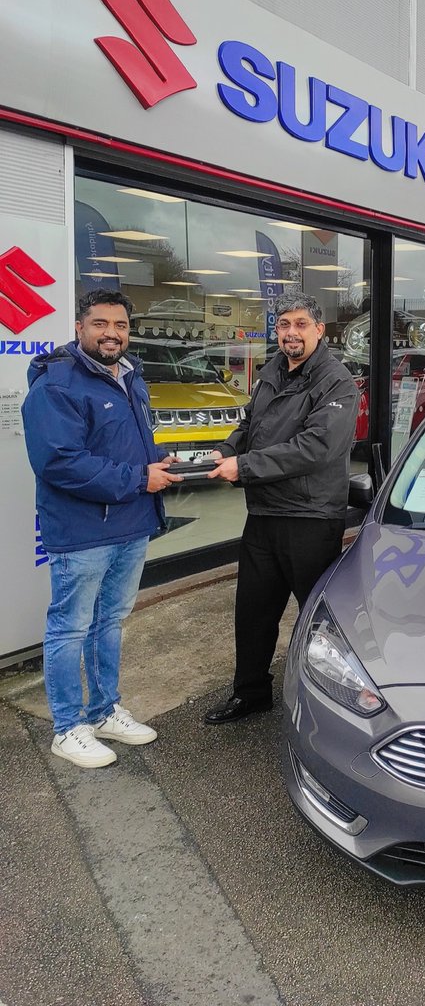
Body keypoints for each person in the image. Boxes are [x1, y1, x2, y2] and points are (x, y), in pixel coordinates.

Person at [22, 290, 182, 768]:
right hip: (82, 532)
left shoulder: (130, 377)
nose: (112, 333)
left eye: (121, 325)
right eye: (100, 324)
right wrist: (139, 478)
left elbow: (121, 446)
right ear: (79, 327)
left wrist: (156, 464)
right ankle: (68, 728)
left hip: (130, 525)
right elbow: (59, 462)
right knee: (70, 627)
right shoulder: (57, 384)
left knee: (108, 623)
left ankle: (104, 710)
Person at [204, 293, 360, 724]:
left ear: (319, 329)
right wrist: (225, 450)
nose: (291, 332)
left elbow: (316, 448)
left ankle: (333, 704)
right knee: (252, 612)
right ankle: (251, 693)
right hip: (265, 513)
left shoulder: (336, 381)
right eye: (284, 325)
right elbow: (249, 423)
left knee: (321, 621)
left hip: (310, 518)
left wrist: (245, 465)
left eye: (300, 324)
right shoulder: (272, 370)